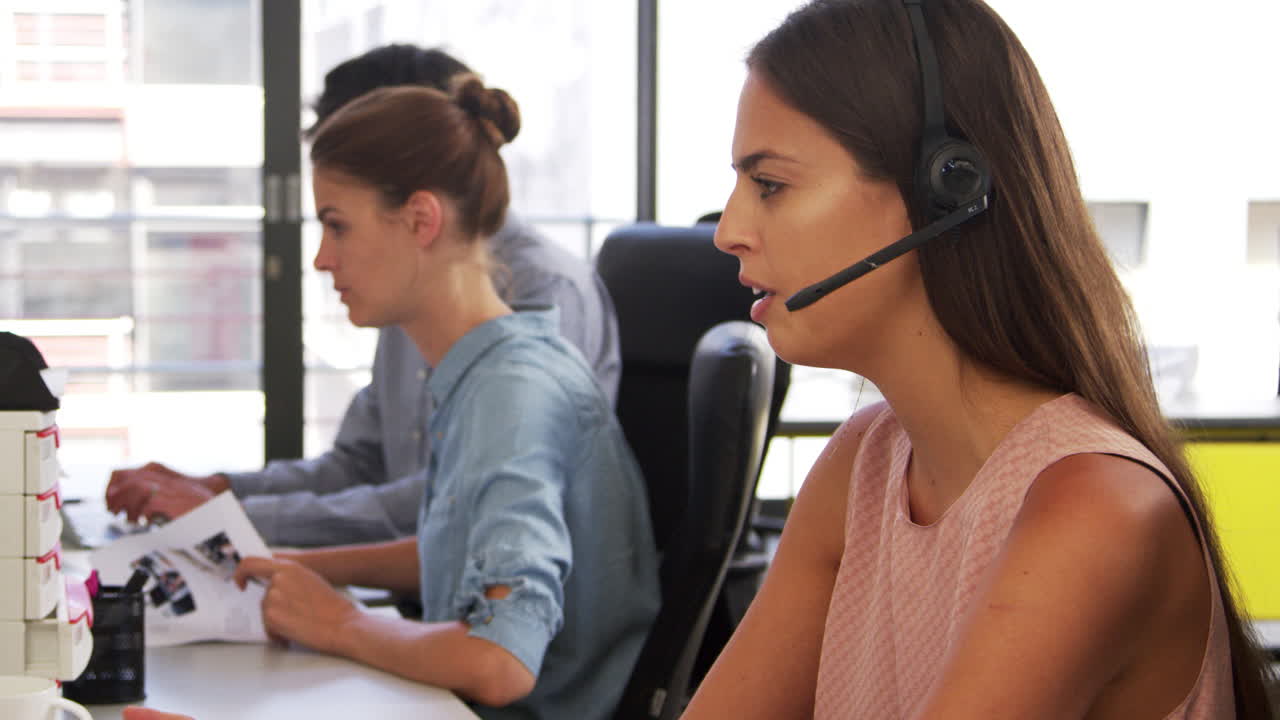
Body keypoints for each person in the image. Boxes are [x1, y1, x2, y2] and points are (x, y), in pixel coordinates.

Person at [682, 1, 1276, 719]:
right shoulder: (861, 464)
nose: (729, 231)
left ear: (945, 191)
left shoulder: (1096, 508)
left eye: (770, 185)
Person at [224, 79, 651, 718]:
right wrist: (294, 564)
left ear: (421, 219)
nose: (320, 258)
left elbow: (499, 660)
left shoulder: (512, 394)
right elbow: (461, 551)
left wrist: (339, 622)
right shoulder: (488, 368)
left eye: (337, 226)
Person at [104, 45, 622, 547]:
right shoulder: (413, 287)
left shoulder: (540, 300)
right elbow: (363, 464)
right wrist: (219, 491)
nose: (322, 259)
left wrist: (232, 518)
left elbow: (456, 513)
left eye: (339, 223)